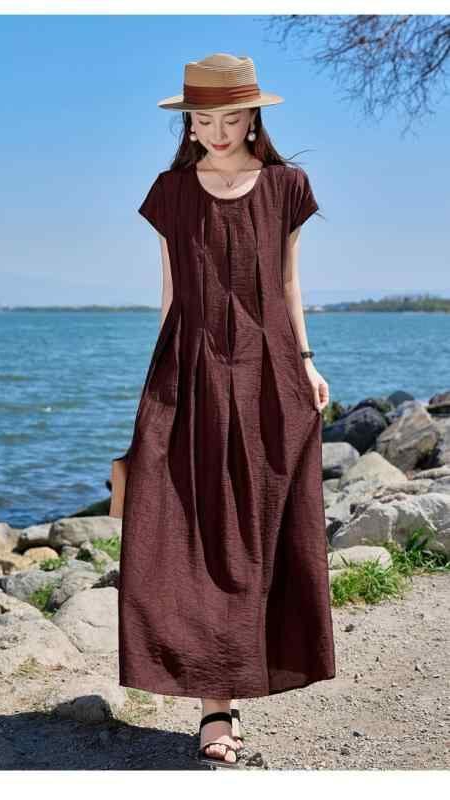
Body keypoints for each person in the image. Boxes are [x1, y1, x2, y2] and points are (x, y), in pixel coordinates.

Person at [116, 53, 336, 768]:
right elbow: (170, 294)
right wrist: (156, 391)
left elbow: (290, 282)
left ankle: (239, 681)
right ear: (187, 124)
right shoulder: (170, 192)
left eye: (231, 118)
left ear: (253, 119)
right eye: (203, 119)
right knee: (183, 529)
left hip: (271, 373)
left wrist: (308, 362)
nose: (216, 132)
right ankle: (214, 704)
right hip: (190, 369)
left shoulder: (286, 186)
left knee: (262, 530)